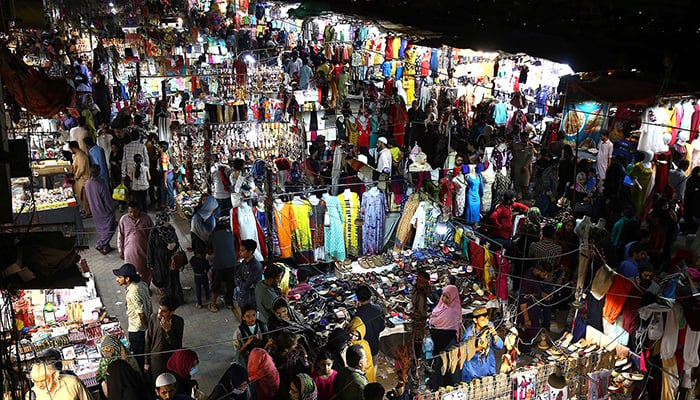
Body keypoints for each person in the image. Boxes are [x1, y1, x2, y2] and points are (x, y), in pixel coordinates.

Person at [112, 263, 152, 371]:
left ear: (127, 278)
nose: (117, 279)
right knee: (141, 347)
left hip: (136, 327)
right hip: (142, 325)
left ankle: (141, 371)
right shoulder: (141, 284)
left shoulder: (132, 292)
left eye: (120, 277)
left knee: (137, 353)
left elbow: (141, 313)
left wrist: (146, 325)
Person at [428, 284, 462, 389]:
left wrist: (434, 321)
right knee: (438, 365)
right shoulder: (440, 307)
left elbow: (434, 320)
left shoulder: (454, 312)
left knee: (449, 366)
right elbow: (433, 319)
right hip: (438, 342)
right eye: (443, 296)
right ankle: (437, 386)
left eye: (448, 297)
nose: (444, 299)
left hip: (448, 343)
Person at [146, 294, 185, 384]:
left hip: (170, 362)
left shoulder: (178, 322)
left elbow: (177, 346)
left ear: (172, 312)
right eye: (159, 309)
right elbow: (148, 340)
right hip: (155, 361)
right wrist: (146, 361)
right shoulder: (153, 318)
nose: (160, 313)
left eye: (164, 311)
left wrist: (169, 331)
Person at [148, 211, 184, 302]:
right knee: (162, 277)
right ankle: (167, 297)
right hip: (159, 260)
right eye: (165, 221)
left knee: (173, 278)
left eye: (167, 220)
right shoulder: (154, 231)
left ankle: (176, 298)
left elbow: (176, 241)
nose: (167, 223)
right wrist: (150, 262)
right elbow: (150, 247)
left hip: (170, 258)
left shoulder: (171, 229)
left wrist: (173, 245)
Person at [461, 307, 504, 382]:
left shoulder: (489, 327)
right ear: (475, 320)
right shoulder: (469, 334)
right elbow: (465, 354)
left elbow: (500, 346)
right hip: (473, 372)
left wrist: (495, 335)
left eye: (487, 319)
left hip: (489, 368)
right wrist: (478, 349)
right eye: (483, 320)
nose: (486, 322)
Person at [517, 262, 551, 353]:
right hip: (526, 310)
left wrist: (542, 294)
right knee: (526, 332)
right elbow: (522, 302)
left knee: (533, 329)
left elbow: (534, 290)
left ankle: (527, 348)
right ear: (538, 270)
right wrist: (526, 319)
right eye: (544, 274)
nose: (546, 277)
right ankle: (523, 351)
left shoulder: (534, 274)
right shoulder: (528, 280)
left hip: (533, 308)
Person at [118, 201, 154, 287]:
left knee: (145, 271)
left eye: (135, 212)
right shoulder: (123, 220)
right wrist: (120, 250)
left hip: (144, 251)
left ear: (139, 210)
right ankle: (132, 290)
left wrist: (153, 251)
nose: (133, 214)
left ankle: (145, 288)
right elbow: (120, 236)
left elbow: (152, 235)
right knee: (130, 272)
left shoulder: (146, 219)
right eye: (130, 212)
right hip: (129, 252)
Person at [84, 164, 116, 255]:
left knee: (101, 229)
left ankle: (106, 246)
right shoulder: (101, 184)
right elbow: (107, 200)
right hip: (104, 210)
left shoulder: (87, 183)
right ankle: (101, 244)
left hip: (95, 210)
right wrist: (112, 210)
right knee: (111, 227)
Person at [208, 219, 238, 312]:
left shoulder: (212, 236)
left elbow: (209, 250)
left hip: (219, 263)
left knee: (216, 284)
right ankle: (229, 303)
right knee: (230, 283)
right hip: (232, 263)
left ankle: (213, 305)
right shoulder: (231, 235)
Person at [352, 284, 385, 363]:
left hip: (363, 349)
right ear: (370, 296)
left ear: (358, 299)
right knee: (374, 365)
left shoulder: (357, 315)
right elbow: (382, 327)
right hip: (374, 346)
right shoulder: (378, 309)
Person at [346, 317, 376, 382]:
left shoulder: (358, 346)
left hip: (364, 373)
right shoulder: (365, 342)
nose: (353, 337)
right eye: (351, 333)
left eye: (356, 336)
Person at [236, 239, 264, 309]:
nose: (240, 252)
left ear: (250, 252)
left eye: (242, 251)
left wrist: (242, 283)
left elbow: (247, 284)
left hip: (252, 300)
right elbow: (236, 277)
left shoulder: (256, 266)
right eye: (240, 250)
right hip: (243, 297)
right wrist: (243, 283)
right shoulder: (243, 263)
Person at [511, 130, 535, 199]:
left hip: (526, 167)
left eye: (526, 138)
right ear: (521, 138)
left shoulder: (530, 146)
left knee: (525, 184)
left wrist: (525, 166)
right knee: (517, 183)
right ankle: (518, 197)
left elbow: (530, 157)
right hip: (517, 166)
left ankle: (524, 198)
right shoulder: (516, 146)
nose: (525, 139)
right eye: (523, 138)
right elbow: (513, 156)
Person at [69, 140, 91, 217]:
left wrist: (76, 176)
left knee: (85, 197)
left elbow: (81, 169)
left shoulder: (81, 156)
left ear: (73, 148)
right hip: (79, 179)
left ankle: (88, 212)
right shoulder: (77, 155)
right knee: (82, 197)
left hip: (83, 179)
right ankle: (86, 210)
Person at [159, 141, 176, 212]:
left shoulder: (163, 157)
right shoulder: (165, 154)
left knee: (169, 191)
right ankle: (164, 205)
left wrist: (165, 181)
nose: (157, 148)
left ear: (162, 148)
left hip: (167, 175)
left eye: (159, 146)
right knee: (164, 190)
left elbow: (165, 170)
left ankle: (171, 207)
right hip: (168, 175)